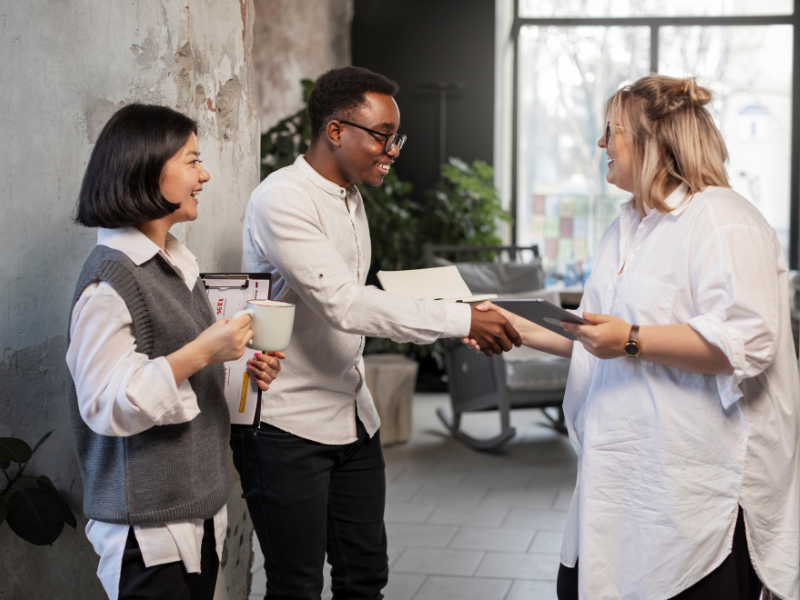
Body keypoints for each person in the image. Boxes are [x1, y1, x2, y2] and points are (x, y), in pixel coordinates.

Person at [466, 75, 800, 600]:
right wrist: (503, 322)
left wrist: (632, 339)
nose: (600, 143)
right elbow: (594, 333)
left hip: (693, 494)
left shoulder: (723, 219)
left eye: (609, 131)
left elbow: (749, 341)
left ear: (654, 141)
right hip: (620, 479)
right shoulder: (624, 227)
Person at [236, 65, 521, 600]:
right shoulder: (283, 199)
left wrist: (455, 305)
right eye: (383, 136)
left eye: (397, 137)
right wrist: (461, 320)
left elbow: (357, 293)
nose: (392, 150)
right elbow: (344, 303)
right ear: (336, 131)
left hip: (352, 416)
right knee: (295, 585)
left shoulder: (350, 197)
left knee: (365, 578)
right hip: (285, 427)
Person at [66, 103, 282, 600]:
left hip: (195, 511)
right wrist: (204, 351)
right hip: (147, 533)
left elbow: (179, 372)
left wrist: (241, 366)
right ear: (145, 167)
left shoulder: (175, 263)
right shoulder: (110, 279)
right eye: (191, 160)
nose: (204, 175)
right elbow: (104, 402)